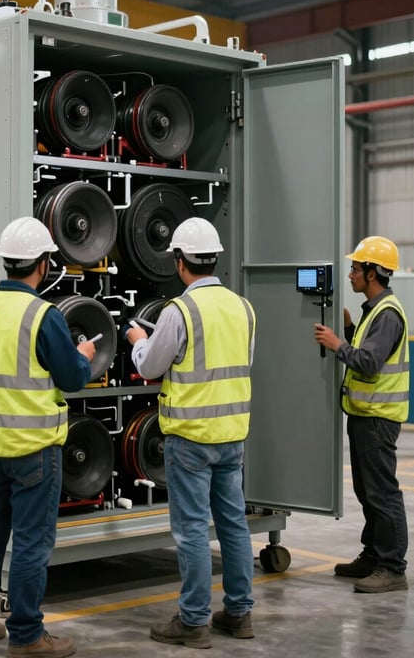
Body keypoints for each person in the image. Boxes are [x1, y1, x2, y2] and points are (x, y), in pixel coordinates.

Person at [0, 217, 96, 657]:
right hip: (35, 451)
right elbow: (72, 378)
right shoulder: (43, 315)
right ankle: (27, 635)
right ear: (43, 264)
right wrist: (85, 355)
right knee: (32, 543)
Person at [123, 217, 256, 649]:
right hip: (232, 435)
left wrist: (137, 340)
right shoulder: (243, 308)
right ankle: (238, 613)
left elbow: (149, 367)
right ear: (214, 259)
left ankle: (194, 620)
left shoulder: (179, 311)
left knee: (194, 529)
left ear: (180, 263)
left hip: (190, 438)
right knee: (233, 524)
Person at [314, 235, 409, 594]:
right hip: (364, 414)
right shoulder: (374, 311)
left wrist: (338, 344)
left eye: (356, 267)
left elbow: (369, 363)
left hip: (378, 417)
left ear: (372, 273)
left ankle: (393, 567)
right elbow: (368, 348)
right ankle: (373, 555)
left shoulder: (387, 313)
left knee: (383, 492)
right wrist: (352, 329)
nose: (351, 272)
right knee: (367, 491)